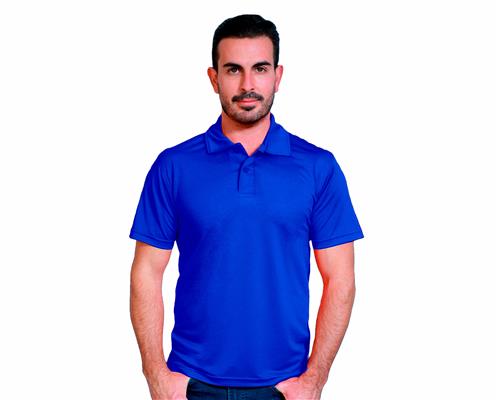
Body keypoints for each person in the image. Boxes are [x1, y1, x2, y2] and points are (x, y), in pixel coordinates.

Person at [129, 14, 364, 400]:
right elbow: (146, 273)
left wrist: (314, 380)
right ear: (214, 78)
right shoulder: (174, 166)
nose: (247, 85)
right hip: (191, 384)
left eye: (260, 69)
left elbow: (341, 278)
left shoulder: (318, 168)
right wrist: (156, 375)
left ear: (278, 76)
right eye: (233, 69)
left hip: (284, 387)